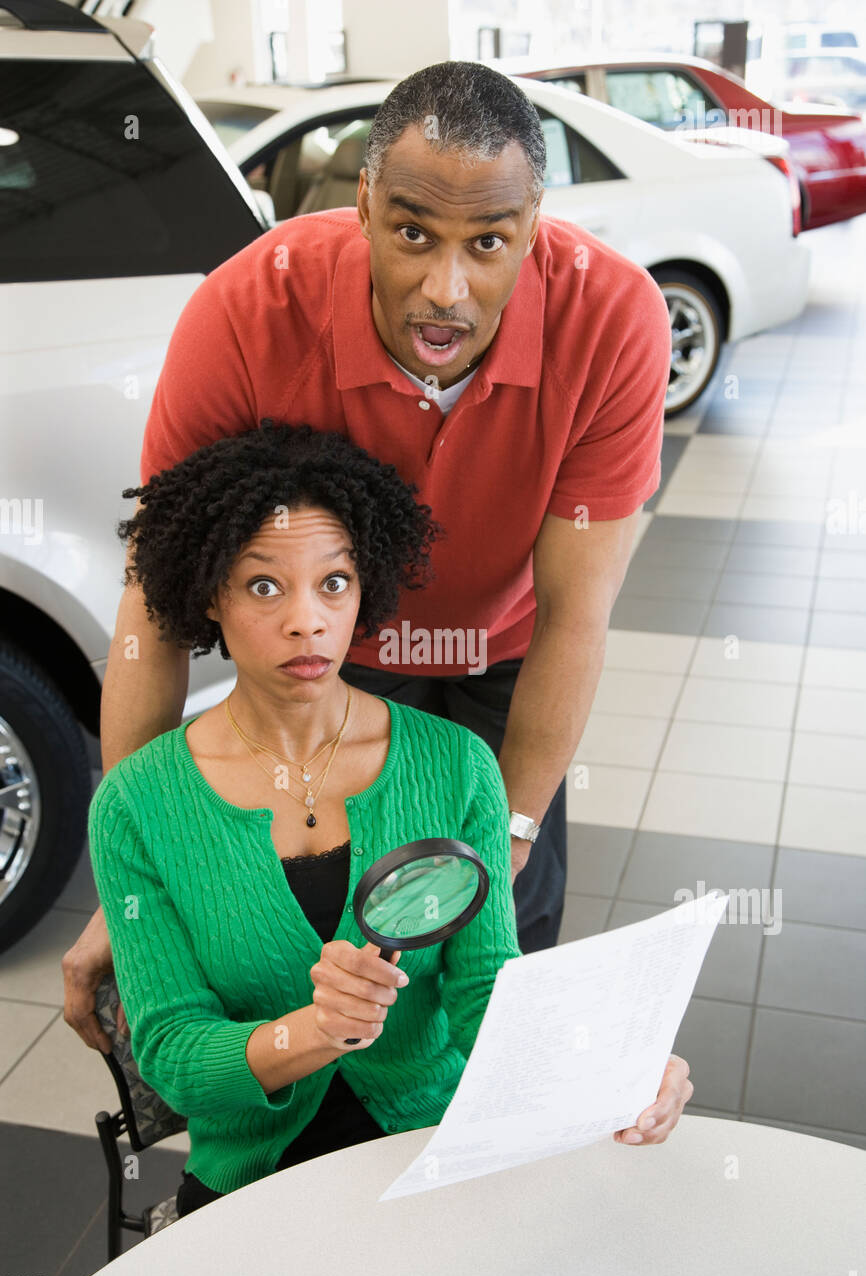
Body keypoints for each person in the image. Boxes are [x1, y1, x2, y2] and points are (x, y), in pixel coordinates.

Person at [67, 60, 693, 1142]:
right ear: (360, 205)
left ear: (534, 227)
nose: (445, 288)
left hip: (506, 663)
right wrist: (136, 881)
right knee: (266, 948)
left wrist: (506, 844)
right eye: (412, 234)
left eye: (487, 244)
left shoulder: (613, 321)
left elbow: (575, 619)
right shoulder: (246, 310)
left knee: (487, 955)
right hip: (331, 662)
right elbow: (155, 605)